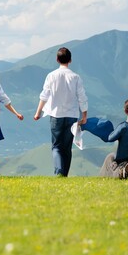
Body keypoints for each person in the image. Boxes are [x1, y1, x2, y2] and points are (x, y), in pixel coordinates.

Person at [34, 47, 88, 176]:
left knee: (56, 146)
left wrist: (38, 112)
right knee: (67, 147)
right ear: (70, 60)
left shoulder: (51, 76)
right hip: (72, 116)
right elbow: (82, 97)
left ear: (57, 59)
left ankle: (59, 171)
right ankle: (64, 174)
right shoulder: (75, 77)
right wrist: (84, 115)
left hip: (56, 115)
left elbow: (44, 96)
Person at [99, 98, 128, 179]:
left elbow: (110, 138)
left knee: (110, 157)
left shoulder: (124, 126)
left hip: (123, 160)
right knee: (112, 156)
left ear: (125, 111)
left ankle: (122, 172)